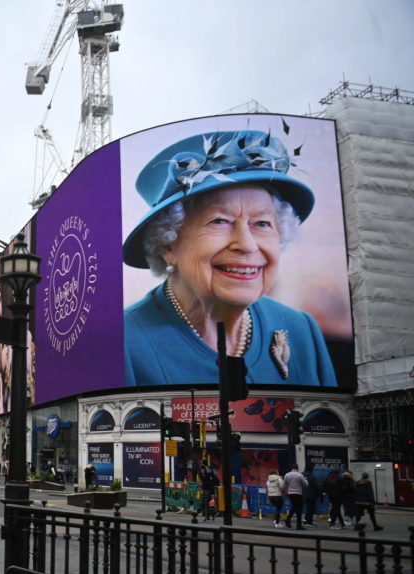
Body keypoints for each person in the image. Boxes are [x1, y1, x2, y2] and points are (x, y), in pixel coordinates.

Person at [122, 130, 337, 387]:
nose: (246, 244)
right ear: (167, 244)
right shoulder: (123, 342)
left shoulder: (301, 330)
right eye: (220, 221)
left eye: (263, 223)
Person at [283, 464, 307, 530]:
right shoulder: (300, 475)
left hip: (290, 493)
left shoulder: (287, 475)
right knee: (299, 508)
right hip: (298, 493)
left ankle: (288, 519)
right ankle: (298, 525)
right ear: (297, 468)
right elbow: (305, 484)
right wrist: (306, 480)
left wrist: (287, 490)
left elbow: (285, 485)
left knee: (294, 506)